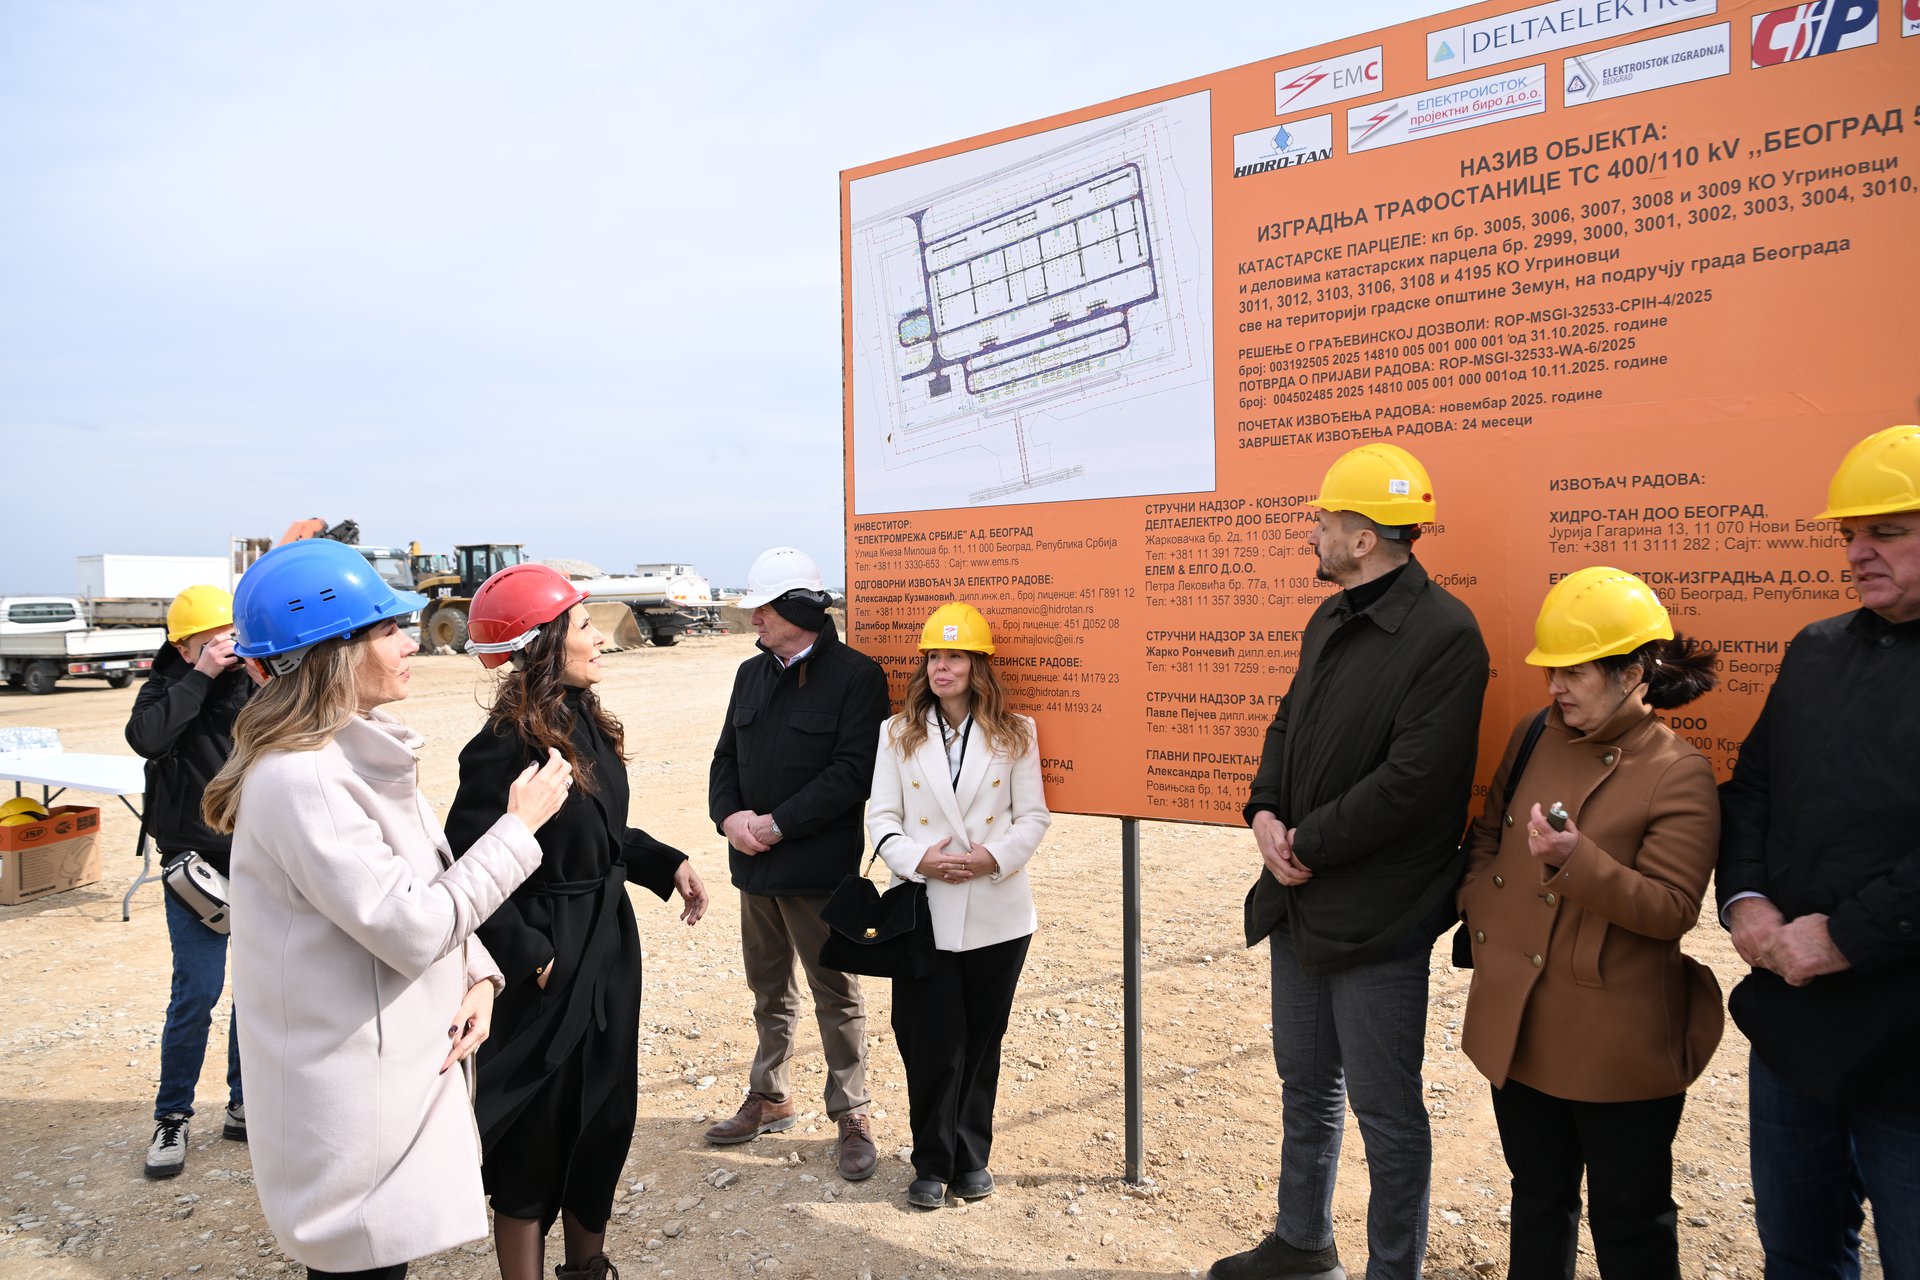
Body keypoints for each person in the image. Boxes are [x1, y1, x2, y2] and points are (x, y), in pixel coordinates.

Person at [203, 538, 573, 1280]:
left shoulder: (345, 756)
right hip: (353, 1094)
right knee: (362, 1263)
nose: (411, 643)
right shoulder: (305, 780)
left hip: (387, 1070)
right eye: (386, 629)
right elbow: (410, 926)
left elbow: (416, 881)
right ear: (331, 654)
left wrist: (476, 973)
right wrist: (518, 828)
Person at [1213, 443, 1488, 1280]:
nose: (1313, 535)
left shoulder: (1446, 635)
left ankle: (1392, 1270)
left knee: (1386, 1110)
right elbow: (1286, 723)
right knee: (1305, 1083)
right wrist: (1265, 812)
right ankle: (1303, 1242)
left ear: (1364, 539)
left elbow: (1414, 784)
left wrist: (1306, 842)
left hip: (1378, 915)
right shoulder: (1329, 618)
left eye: (1324, 523)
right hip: (1299, 900)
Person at [444, 564, 708, 1280]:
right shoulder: (503, 744)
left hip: (607, 946)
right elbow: (469, 861)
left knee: (604, 1115)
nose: (600, 638)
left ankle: (588, 1269)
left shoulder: (584, 719)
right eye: (585, 626)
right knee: (536, 1130)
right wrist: (531, 956)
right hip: (548, 955)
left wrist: (665, 863)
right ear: (542, 643)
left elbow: (599, 833)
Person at [1458, 567, 1723, 1279]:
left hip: (1617, 1042)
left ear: (1632, 673)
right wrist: (1480, 901)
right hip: (1521, 1020)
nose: (1556, 688)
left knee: (1630, 1221)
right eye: (1552, 671)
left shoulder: (1678, 770)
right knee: (1537, 1200)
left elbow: (1673, 908)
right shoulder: (1532, 735)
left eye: (1573, 672)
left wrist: (1577, 861)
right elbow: (1489, 833)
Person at [1718, 423, 1920, 1280]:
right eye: (1850, 534)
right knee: (1796, 1251)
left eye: (1887, 532)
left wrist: (1846, 936)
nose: (1858, 552)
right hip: (1796, 1027)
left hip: (1909, 1043)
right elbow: (1752, 788)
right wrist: (1746, 901)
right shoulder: (1816, 648)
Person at [706, 546, 891, 1180]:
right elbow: (725, 758)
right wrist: (730, 819)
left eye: (763, 607)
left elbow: (853, 773)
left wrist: (777, 824)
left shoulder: (857, 677)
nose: (753, 618)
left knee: (834, 992)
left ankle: (852, 1113)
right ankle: (770, 1096)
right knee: (768, 988)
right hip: (754, 866)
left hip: (816, 870)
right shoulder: (748, 675)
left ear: (797, 610)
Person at [865, 603, 1050, 1209]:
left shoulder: (1017, 733)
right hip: (925, 910)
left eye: (955, 656)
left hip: (999, 910)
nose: (941, 667)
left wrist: (991, 858)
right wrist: (919, 859)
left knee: (982, 1040)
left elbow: (1033, 818)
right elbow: (881, 818)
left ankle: (971, 1158)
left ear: (978, 666)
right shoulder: (897, 733)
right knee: (927, 1041)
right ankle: (930, 1161)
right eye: (934, 657)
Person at [124, 584, 260, 1179]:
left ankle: (242, 1101)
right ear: (183, 648)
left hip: (256, 862)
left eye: (232, 636)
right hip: (194, 871)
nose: (227, 648)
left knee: (254, 992)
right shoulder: (166, 688)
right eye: (212, 641)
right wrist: (200, 676)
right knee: (196, 994)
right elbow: (147, 739)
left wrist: (250, 674)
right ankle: (172, 1116)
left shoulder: (255, 683)